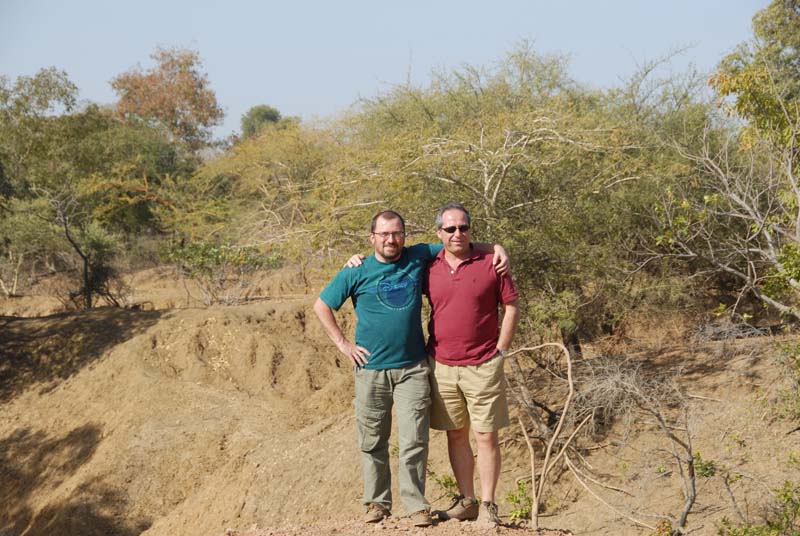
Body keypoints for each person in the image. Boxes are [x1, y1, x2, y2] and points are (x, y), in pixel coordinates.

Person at [313, 210, 507, 527]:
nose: (392, 240)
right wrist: (343, 344)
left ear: (405, 234)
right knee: (373, 440)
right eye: (385, 234)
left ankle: (416, 505)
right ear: (372, 238)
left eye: (397, 233)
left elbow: (457, 241)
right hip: (371, 369)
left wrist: (496, 248)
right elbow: (322, 306)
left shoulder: (418, 255)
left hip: (413, 368)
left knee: (415, 440)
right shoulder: (356, 270)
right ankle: (377, 503)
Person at [425, 202, 520, 527]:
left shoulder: (491, 262)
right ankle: (467, 500)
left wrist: (501, 351)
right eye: (450, 229)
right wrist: (355, 261)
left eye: (463, 227)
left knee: (486, 436)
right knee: (455, 434)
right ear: (439, 232)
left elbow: (511, 306)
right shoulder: (429, 264)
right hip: (442, 365)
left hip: (483, 364)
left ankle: (489, 504)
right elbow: (389, 254)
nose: (457, 234)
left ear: (470, 229)